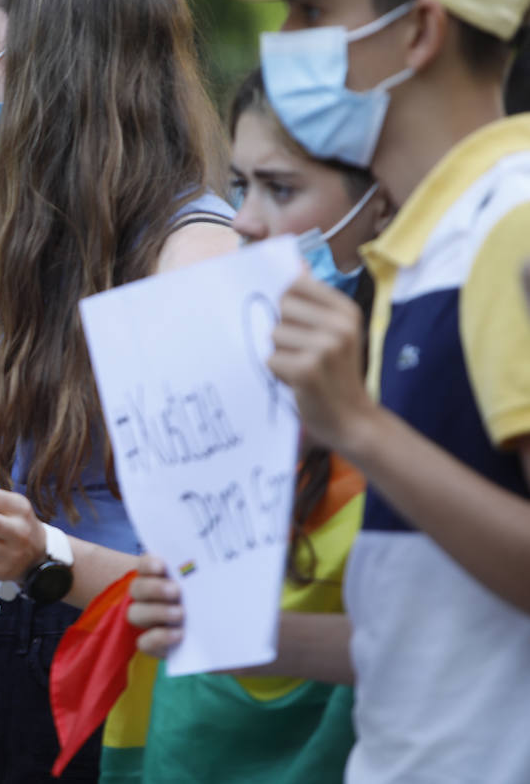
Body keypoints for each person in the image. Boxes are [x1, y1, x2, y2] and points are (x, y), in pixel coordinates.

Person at [132, 0, 530, 781]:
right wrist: (237, 632)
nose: (284, 43)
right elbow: (421, 624)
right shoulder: (420, 250)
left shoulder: (510, 229)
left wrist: (357, 428)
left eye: (310, 7)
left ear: (420, 32)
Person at [0, 0, 237, 781]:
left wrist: (47, 559)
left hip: (117, 695)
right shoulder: (33, 242)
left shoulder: (193, 260)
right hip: (3, 673)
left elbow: (215, 583)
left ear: (55, 68)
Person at [115, 69, 391, 783]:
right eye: (240, 186)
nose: (244, 220)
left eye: (282, 188)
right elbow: (189, 604)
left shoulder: (408, 397)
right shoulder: (224, 370)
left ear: (381, 200)